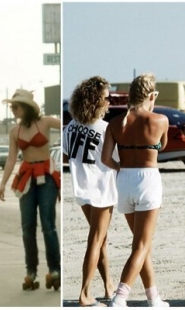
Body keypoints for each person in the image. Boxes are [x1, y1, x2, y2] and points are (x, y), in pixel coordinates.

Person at [101, 73, 169, 307]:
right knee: (141, 245)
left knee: (140, 245)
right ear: (151, 95)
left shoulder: (115, 123)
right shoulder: (160, 120)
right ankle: (120, 298)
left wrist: (122, 167)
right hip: (148, 180)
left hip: (124, 179)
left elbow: (106, 158)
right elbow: (163, 146)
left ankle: (154, 298)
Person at [0, 89, 61, 291]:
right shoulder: (14, 132)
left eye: (16, 106)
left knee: (48, 225)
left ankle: (55, 269)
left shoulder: (46, 122)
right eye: (12, 107)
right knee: (27, 227)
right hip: (26, 178)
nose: (13, 110)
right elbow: (11, 158)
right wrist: (2, 183)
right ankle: (31, 271)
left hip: (46, 175)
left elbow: (70, 127)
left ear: (26, 107)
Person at [63, 76, 117, 306]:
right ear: (95, 100)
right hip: (102, 189)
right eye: (107, 98)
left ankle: (108, 286)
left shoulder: (70, 127)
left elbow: (66, 156)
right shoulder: (105, 129)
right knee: (96, 239)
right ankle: (84, 293)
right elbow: (115, 160)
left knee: (100, 239)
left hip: (82, 188)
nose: (110, 102)